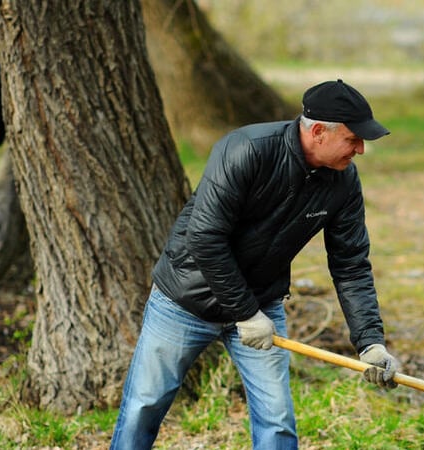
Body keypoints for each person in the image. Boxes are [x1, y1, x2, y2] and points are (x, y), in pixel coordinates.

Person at [111, 79, 400, 450]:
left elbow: (351, 264)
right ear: (318, 132)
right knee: (144, 405)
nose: (360, 149)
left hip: (262, 302)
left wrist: (370, 342)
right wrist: (245, 312)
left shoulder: (343, 182)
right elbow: (205, 237)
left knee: (276, 419)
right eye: (353, 139)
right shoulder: (247, 149)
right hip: (186, 300)